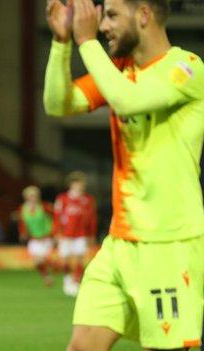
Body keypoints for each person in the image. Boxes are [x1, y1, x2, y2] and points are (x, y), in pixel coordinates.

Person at [44, 0, 204, 350]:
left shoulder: (186, 68)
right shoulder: (119, 70)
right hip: (119, 242)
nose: (102, 26)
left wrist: (86, 42)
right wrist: (62, 44)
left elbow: (128, 101)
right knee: (82, 345)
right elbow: (59, 104)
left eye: (112, 15)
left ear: (144, 14)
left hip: (169, 242)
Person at [53, 171, 96, 297]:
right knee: (66, 259)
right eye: (77, 184)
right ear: (71, 185)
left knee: (79, 257)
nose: (80, 186)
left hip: (81, 234)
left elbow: (92, 218)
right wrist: (57, 233)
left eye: (82, 184)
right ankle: (67, 281)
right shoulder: (62, 199)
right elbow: (57, 217)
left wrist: (91, 234)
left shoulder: (88, 200)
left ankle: (76, 282)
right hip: (65, 234)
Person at [18, 186, 55, 287]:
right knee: (37, 262)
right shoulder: (23, 209)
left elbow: (56, 217)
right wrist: (22, 233)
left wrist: (55, 232)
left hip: (46, 237)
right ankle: (46, 276)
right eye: (30, 196)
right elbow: (22, 223)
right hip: (34, 239)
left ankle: (51, 273)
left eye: (34, 196)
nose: (32, 198)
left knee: (41, 260)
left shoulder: (45, 206)